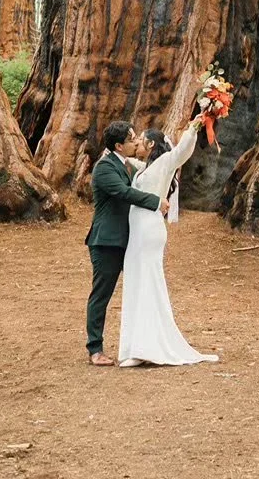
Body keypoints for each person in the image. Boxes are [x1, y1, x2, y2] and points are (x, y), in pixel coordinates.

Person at [118, 117, 218, 368]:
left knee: (148, 283)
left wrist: (195, 126)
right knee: (137, 282)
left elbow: (181, 151)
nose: (137, 144)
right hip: (138, 233)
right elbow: (125, 161)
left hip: (149, 231)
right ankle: (137, 345)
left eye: (141, 140)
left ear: (151, 144)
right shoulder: (145, 167)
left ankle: (146, 347)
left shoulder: (164, 163)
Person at [85, 121, 167, 366]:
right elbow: (124, 193)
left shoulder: (126, 165)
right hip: (107, 241)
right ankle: (95, 349)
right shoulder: (104, 168)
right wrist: (156, 202)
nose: (136, 142)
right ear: (119, 146)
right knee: (102, 294)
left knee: (139, 291)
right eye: (131, 140)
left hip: (128, 241)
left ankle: (144, 345)